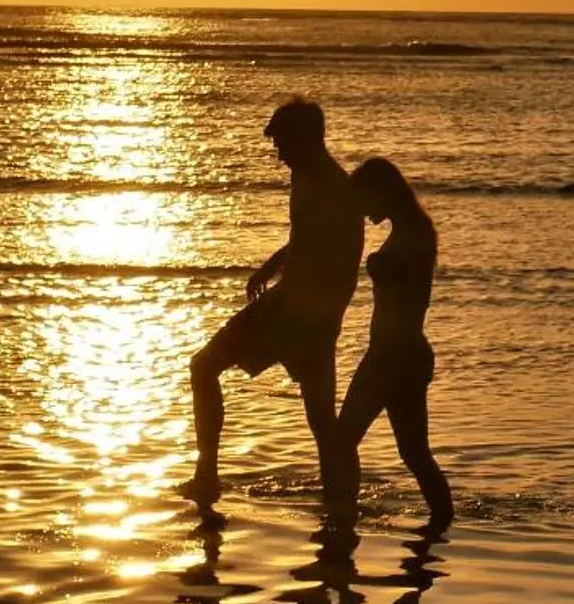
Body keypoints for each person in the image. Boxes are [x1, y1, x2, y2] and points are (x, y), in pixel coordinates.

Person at [188, 97, 364, 509]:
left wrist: (319, 323)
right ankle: (207, 473)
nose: (278, 154)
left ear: (307, 140)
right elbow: (305, 238)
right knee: (205, 368)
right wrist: (270, 266)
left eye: (283, 144)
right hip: (289, 308)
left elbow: (341, 261)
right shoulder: (304, 176)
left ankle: (340, 497)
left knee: (319, 418)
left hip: (304, 317)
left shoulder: (338, 190)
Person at [334, 156, 453, 528]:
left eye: (365, 201)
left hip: (393, 356)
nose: (363, 211)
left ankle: (340, 516)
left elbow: (409, 284)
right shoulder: (409, 230)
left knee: (342, 441)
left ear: (382, 193)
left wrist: (378, 267)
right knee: (414, 452)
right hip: (400, 354)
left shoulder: (414, 235)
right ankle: (441, 522)